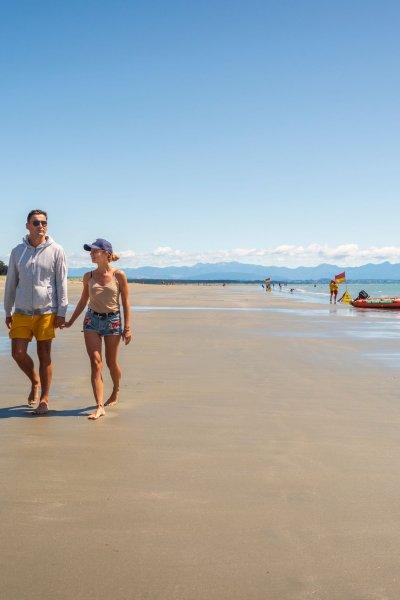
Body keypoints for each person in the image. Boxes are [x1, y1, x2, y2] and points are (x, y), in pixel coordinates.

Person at [4, 209, 68, 414]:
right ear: (27, 226)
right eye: (36, 222)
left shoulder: (56, 250)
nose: (41, 226)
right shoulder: (17, 251)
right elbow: (11, 282)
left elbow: (61, 282)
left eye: (44, 222)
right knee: (18, 353)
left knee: (44, 354)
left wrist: (61, 311)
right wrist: (7, 309)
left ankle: (44, 399)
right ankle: (34, 381)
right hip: (21, 311)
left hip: (46, 311)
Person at [64, 239, 132, 420]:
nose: (91, 254)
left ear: (107, 254)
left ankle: (116, 390)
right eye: (90, 251)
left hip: (113, 321)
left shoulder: (119, 275)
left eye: (95, 251)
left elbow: (125, 303)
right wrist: (71, 321)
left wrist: (128, 327)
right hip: (91, 321)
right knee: (95, 363)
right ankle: (100, 405)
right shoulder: (88, 276)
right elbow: (82, 301)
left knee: (111, 363)